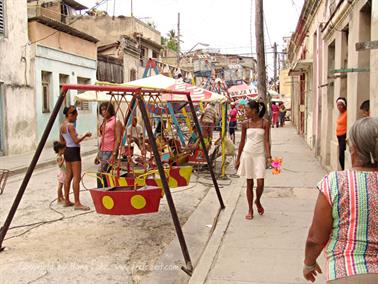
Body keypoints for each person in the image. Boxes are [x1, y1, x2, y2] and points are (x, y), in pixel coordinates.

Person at [303, 117, 378, 283]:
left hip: (347, 271)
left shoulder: (336, 182)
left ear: (353, 148)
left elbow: (316, 237)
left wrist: (309, 263)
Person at [235, 100, 272, 220]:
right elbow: (241, 142)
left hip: (260, 155)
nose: (245, 112)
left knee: (260, 183)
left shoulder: (265, 123)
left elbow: (266, 141)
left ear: (254, 110)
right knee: (249, 183)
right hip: (247, 154)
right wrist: (238, 158)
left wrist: (269, 156)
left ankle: (258, 201)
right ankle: (250, 209)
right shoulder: (245, 123)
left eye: (247, 110)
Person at [59, 105, 92, 210]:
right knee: (76, 178)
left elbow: (62, 141)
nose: (76, 118)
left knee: (68, 176)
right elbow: (76, 141)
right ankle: (77, 203)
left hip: (67, 151)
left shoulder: (62, 126)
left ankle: (67, 200)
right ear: (71, 115)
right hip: (74, 151)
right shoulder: (70, 126)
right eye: (76, 116)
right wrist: (85, 135)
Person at [97, 102, 123, 173]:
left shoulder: (116, 121)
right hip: (103, 150)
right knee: (103, 172)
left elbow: (118, 139)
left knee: (102, 172)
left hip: (110, 150)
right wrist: (98, 152)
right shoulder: (104, 122)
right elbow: (103, 137)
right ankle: (104, 184)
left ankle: (105, 184)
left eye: (105, 109)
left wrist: (114, 154)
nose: (103, 112)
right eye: (102, 110)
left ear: (110, 110)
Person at [336, 97, 347, 170]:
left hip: (343, 136)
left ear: (344, 105)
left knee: (341, 156)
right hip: (339, 136)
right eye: (338, 105)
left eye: (341, 105)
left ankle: (343, 170)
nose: (339, 107)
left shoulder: (346, 113)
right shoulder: (340, 114)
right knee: (341, 155)